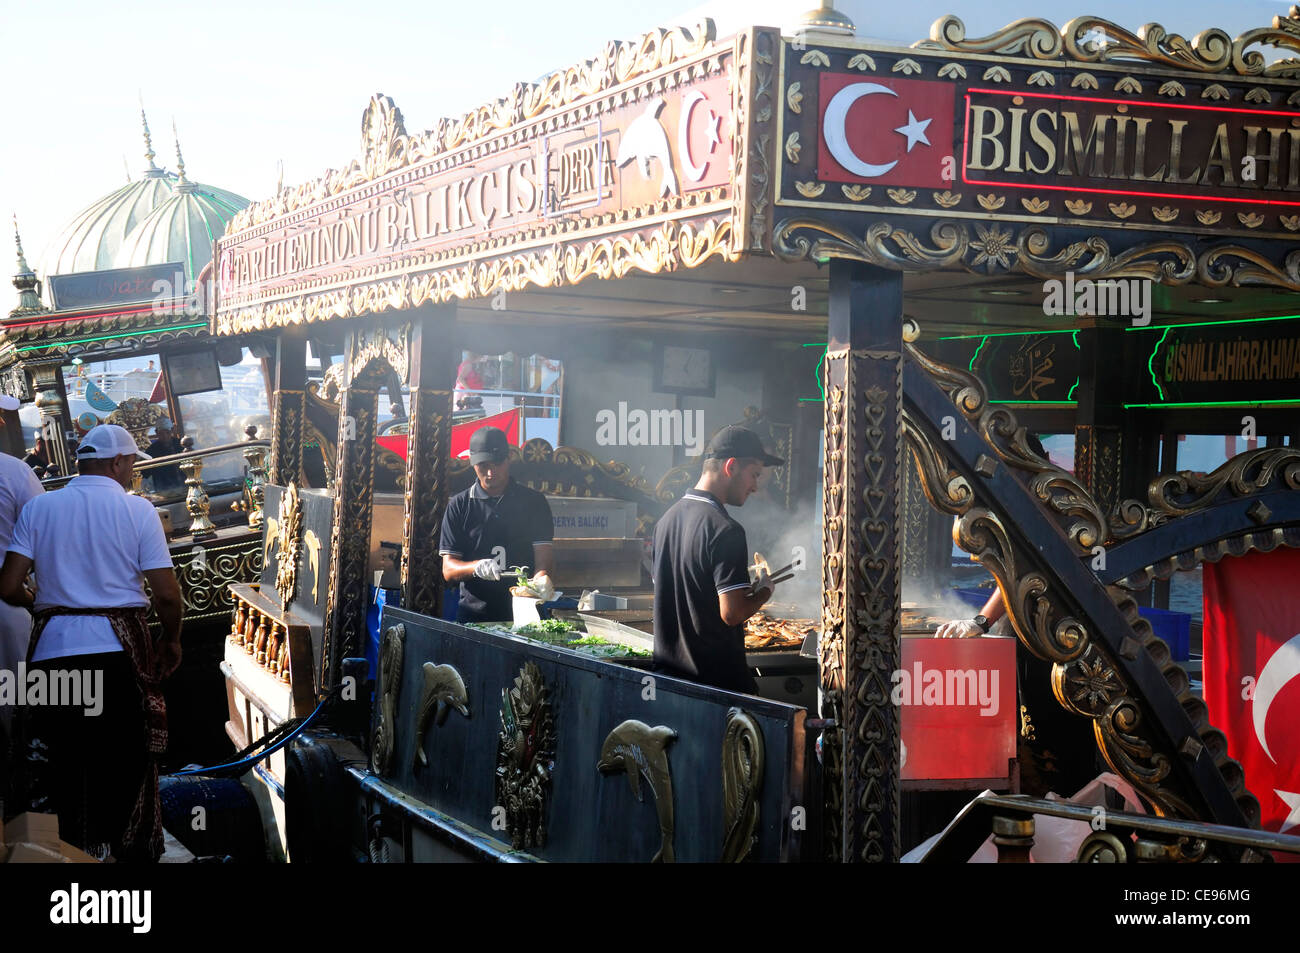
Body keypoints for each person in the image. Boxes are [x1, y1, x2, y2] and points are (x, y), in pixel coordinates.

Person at [0, 424, 183, 862]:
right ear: (118, 462)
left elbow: (7, 587)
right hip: (115, 658)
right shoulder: (136, 510)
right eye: (131, 464)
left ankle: (67, 855)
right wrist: (170, 640)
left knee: (58, 768)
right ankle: (116, 857)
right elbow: (167, 595)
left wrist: (43, 604)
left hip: (51, 660)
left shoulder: (41, 508)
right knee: (121, 764)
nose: (132, 472)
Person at [652, 425, 785, 694]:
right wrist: (765, 591)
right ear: (731, 467)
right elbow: (732, 613)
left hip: (668, 682)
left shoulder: (666, 521)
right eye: (754, 475)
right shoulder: (726, 530)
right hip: (716, 689)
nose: (755, 487)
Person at [439, 427, 554, 623]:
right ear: (472, 463)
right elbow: (448, 570)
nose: (491, 472)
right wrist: (476, 567)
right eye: (483, 465)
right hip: (474, 616)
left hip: (524, 614)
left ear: (509, 459)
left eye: (497, 463)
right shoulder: (459, 505)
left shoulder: (534, 502)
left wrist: (541, 580)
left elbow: (543, 559)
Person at [0, 450, 43, 794]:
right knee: (18, 707)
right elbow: (44, 532)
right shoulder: (13, 471)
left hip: (9, 602)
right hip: (8, 606)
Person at [145, 418, 184, 492]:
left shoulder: (181, 445)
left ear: (172, 430)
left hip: (185, 486)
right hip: (164, 491)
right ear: (156, 432)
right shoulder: (152, 450)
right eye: (161, 433)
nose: (165, 436)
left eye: (167, 432)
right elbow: (144, 473)